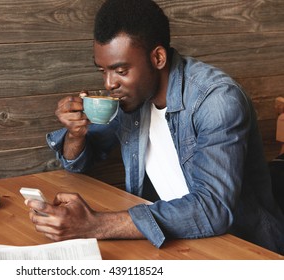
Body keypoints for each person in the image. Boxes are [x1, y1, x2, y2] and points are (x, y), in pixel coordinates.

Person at [26, 0, 284, 254]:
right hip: (171, 241)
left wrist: (96, 224)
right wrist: (75, 133)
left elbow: (213, 210)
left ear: (158, 57)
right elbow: (77, 163)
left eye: (120, 70)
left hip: (240, 247)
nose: (109, 83)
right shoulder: (132, 99)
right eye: (103, 71)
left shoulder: (215, 100)